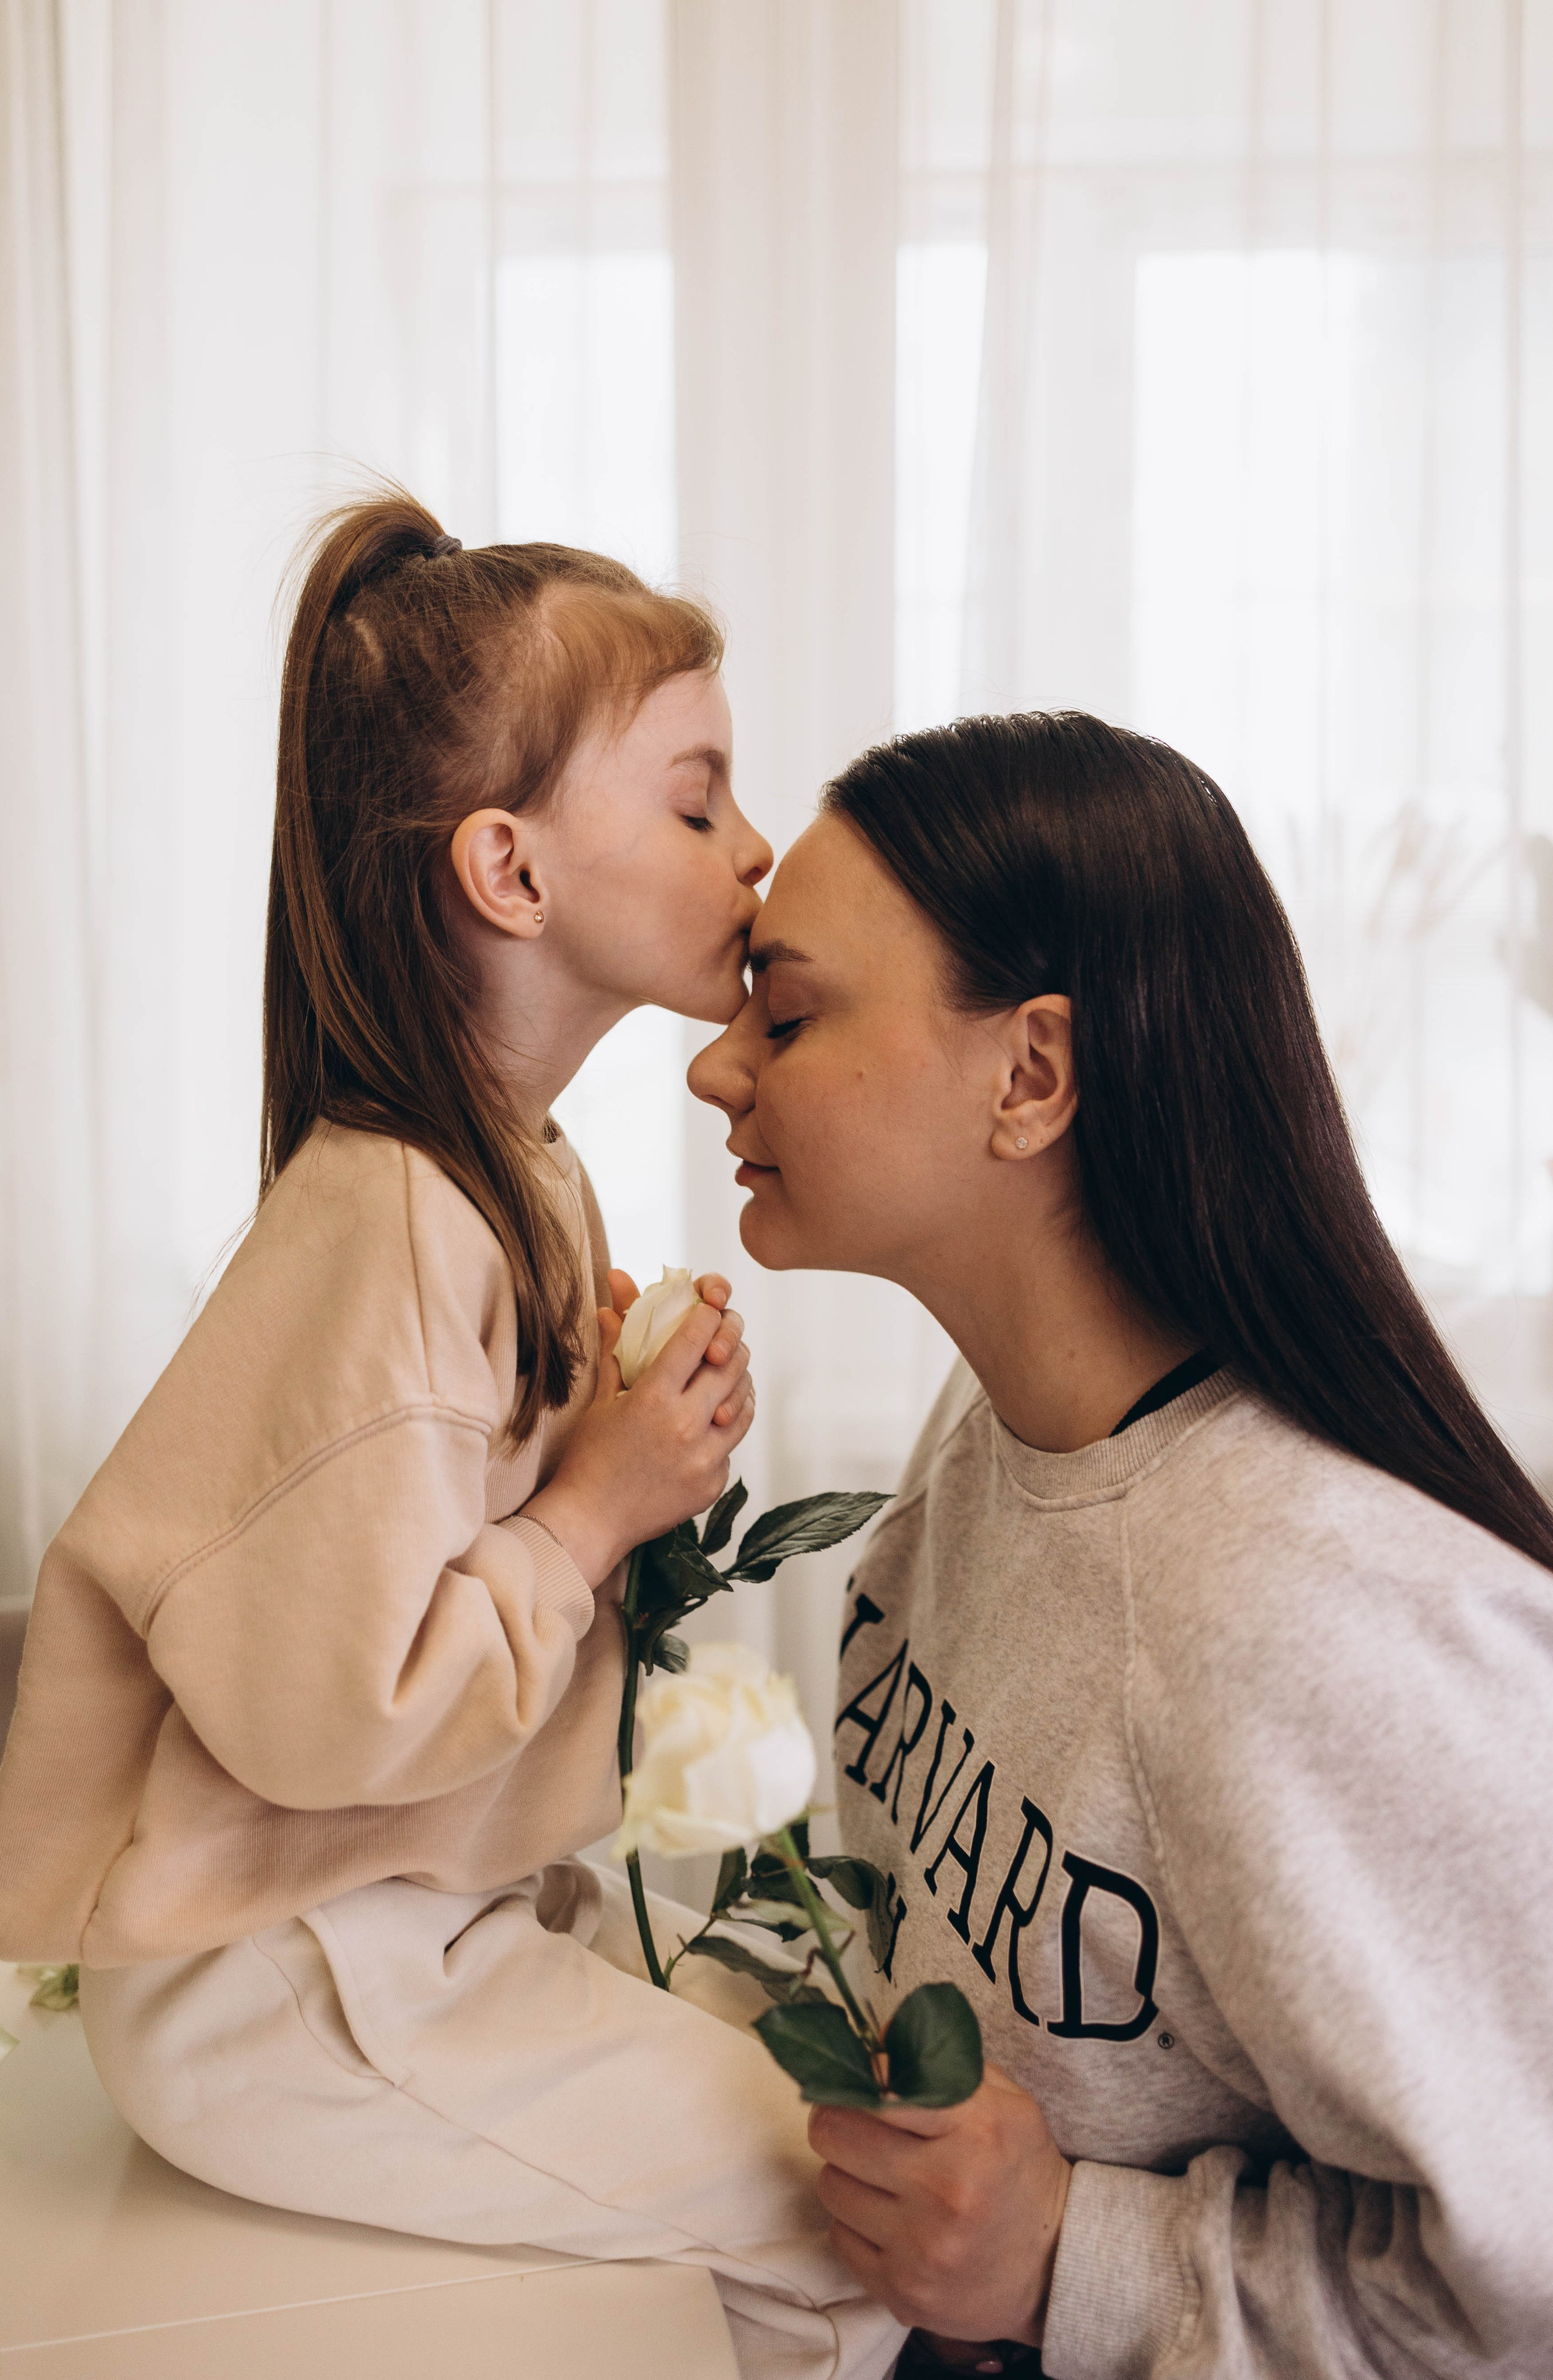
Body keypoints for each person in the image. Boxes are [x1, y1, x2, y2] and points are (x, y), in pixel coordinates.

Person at [0, 494, 907, 2380]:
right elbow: (334, 1709)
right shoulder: (397, 1213)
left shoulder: (495, 1183)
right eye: (700, 796)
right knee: (851, 2215)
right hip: (281, 1975)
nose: (757, 847)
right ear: (510, 867)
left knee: (805, 2114)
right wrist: (594, 1497)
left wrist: (609, 1421)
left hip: (377, 1930)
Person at [689, 709, 1553, 2380]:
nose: (719, 1063)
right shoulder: (997, 1422)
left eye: (785, 1011)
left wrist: (1072, 2256)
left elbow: (1522, 2291)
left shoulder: (1308, 1615)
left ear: (1029, 1075)